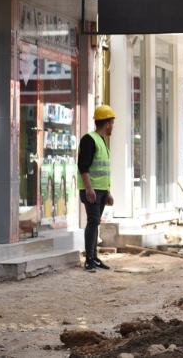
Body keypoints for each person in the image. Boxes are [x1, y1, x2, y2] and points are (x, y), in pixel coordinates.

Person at [77, 104, 116, 272]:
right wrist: (88, 188)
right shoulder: (89, 139)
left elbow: (102, 171)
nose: (112, 126)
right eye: (112, 123)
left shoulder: (101, 142)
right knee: (93, 222)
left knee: (95, 222)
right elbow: (83, 166)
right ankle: (89, 259)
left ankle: (93, 256)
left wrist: (108, 192)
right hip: (92, 190)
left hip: (100, 190)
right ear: (106, 124)